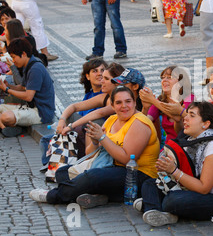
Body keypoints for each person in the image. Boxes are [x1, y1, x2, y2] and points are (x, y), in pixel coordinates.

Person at [29, 86, 160, 208]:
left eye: (128, 101)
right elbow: (90, 153)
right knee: (62, 173)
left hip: (137, 174)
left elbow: (127, 159)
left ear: (134, 103)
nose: (124, 106)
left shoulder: (139, 123)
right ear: (113, 106)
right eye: (119, 103)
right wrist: (95, 141)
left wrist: (102, 138)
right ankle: (102, 195)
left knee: (92, 177)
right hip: (110, 166)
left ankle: (53, 195)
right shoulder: (111, 120)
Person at [139, 101, 213, 226]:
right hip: (198, 192)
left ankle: (152, 203)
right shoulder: (193, 141)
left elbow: (204, 188)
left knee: (173, 200)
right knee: (150, 184)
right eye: (187, 114)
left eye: (192, 115)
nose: (186, 119)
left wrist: (174, 171)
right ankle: (155, 211)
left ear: (205, 124)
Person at [40, 58, 108, 167]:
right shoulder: (89, 95)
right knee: (46, 140)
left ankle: (59, 166)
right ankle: (50, 166)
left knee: (88, 123)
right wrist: (62, 121)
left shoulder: (105, 96)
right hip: (79, 132)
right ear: (87, 76)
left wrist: (71, 126)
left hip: (92, 136)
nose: (99, 74)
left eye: (102, 70)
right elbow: (73, 107)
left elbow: (97, 115)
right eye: (95, 71)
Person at [0, 38, 55, 136]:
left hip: (41, 113)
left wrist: (7, 90)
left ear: (23, 54)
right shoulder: (28, 65)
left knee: (5, 117)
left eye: (13, 57)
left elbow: (28, 96)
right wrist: (9, 85)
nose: (13, 61)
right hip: (30, 107)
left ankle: (8, 126)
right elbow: (23, 87)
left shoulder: (35, 68)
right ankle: (7, 128)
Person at [139, 65, 194, 144]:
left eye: (169, 77)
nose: (164, 80)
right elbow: (143, 124)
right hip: (168, 146)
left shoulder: (189, 98)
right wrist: (145, 108)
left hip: (186, 144)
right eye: (163, 77)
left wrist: (152, 100)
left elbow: (188, 124)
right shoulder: (161, 100)